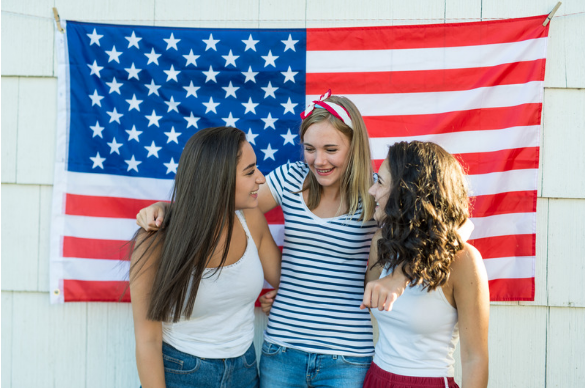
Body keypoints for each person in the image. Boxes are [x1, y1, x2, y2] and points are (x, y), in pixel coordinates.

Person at [136, 90, 408, 388]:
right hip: (282, 344)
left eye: (331, 149)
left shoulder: (375, 193)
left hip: (346, 353)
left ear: (354, 147)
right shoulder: (292, 179)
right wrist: (166, 210)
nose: (318, 160)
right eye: (309, 148)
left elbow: (427, 237)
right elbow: (221, 201)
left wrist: (397, 277)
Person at [130, 126, 281, 388]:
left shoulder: (251, 219)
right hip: (181, 373)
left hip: (245, 371)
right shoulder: (155, 239)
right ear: (217, 179)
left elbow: (285, 278)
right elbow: (147, 341)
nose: (260, 179)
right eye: (249, 171)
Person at [363, 141, 489, 388]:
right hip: (377, 378)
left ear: (405, 193)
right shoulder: (382, 242)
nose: (371, 190)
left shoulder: (463, 261)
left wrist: (401, 277)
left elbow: (476, 359)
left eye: (380, 182)